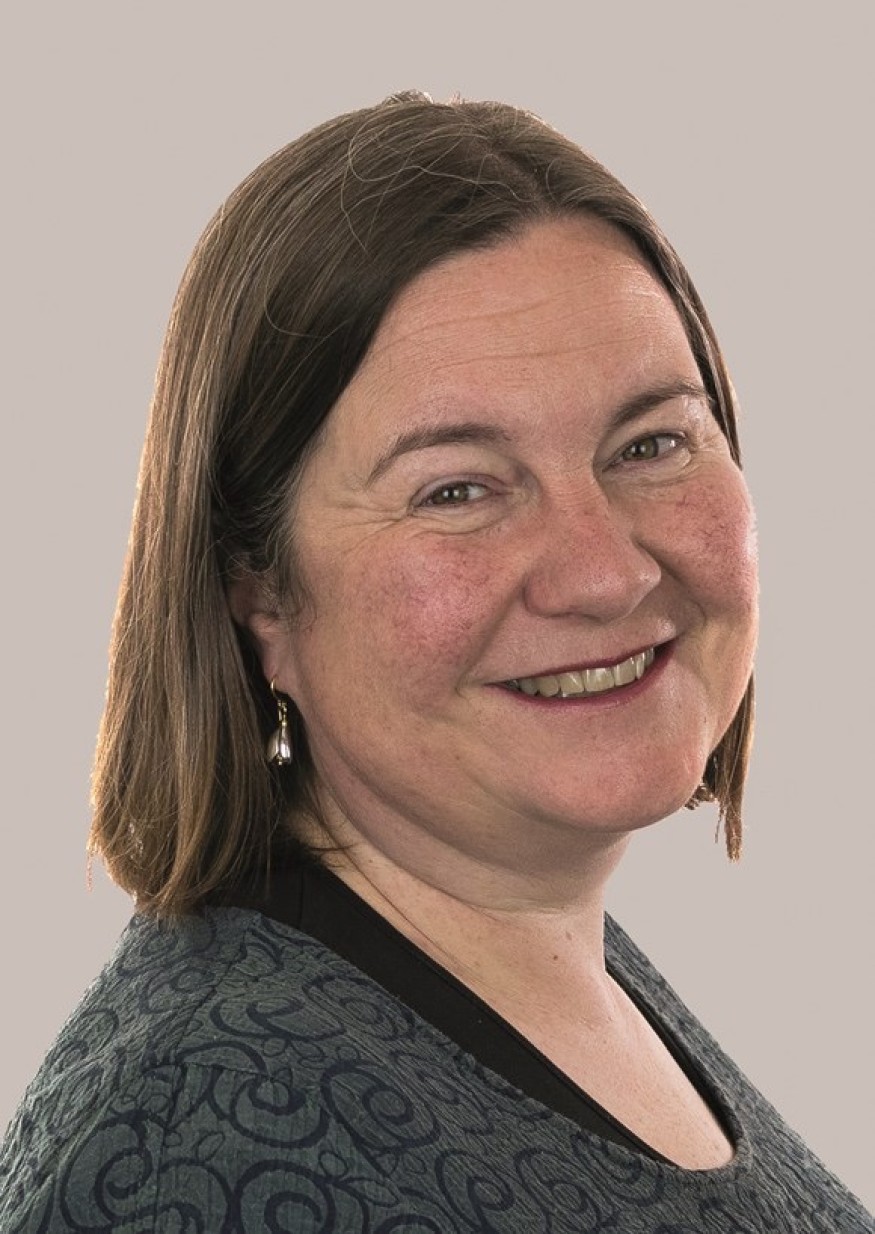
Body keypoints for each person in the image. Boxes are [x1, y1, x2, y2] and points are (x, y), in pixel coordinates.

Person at [0, 93, 869, 1233]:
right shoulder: (206, 1149)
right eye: (456, 490)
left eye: (651, 443)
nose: (604, 573)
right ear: (256, 592)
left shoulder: (531, 969)